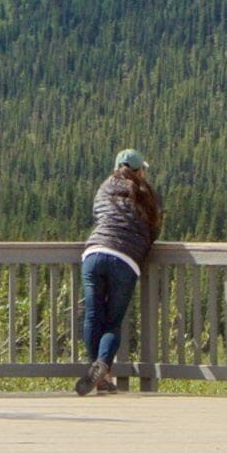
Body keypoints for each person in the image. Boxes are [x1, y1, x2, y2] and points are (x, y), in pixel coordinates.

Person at [74, 149, 161, 395]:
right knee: (112, 322)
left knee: (93, 316)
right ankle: (102, 366)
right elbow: (154, 229)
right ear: (139, 171)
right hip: (125, 260)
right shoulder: (145, 193)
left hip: (94, 253)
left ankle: (99, 374)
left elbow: (98, 216)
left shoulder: (104, 187)